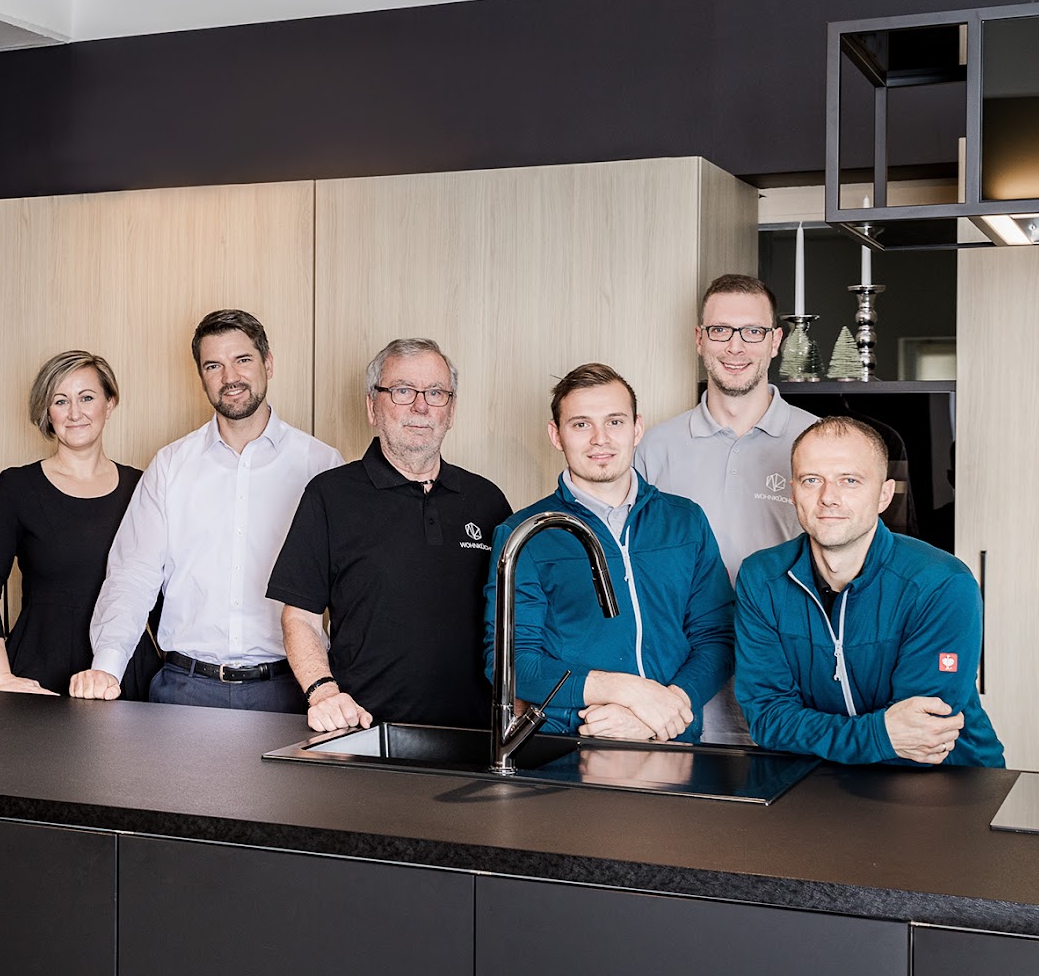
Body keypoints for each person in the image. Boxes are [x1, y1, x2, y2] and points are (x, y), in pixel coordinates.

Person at [74, 308, 343, 711]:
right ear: (201, 376)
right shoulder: (170, 465)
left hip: (287, 691)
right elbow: (133, 576)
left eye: (243, 360)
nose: (229, 377)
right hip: (184, 690)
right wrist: (107, 668)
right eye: (213, 365)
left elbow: (347, 588)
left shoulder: (320, 464)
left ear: (268, 364)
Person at [269, 338, 513, 731]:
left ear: (451, 411)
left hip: (475, 736)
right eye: (402, 391)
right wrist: (324, 692)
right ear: (372, 406)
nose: (421, 406)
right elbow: (301, 617)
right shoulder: (330, 495)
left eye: (436, 393)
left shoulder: (487, 501)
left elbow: (512, 622)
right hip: (363, 732)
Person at [483, 363, 733, 743]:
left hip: (675, 743)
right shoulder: (524, 534)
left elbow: (717, 638)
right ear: (556, 435)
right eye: (581, 424)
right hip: (571, 745)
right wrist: (626, 691)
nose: (600, 439)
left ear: (637, 428)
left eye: (615, 422)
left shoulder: (686, 521)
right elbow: (512, 663)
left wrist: (664, 710)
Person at [735, 417, 1002, 767]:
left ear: (884, 495)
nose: (828, 498)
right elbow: (768, 720)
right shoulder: (761, 578)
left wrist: (816, 734)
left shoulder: (941, 584)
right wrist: (879, 735)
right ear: (793, 491)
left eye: (850, 480)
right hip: (822, 780)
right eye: (812, 480)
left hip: (951, 779)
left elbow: (923, 738)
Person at [635, 273, 818, 745]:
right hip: (682, 692)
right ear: (700, 339)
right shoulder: (653, 449)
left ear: (775, 341)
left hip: (791, 690)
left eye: (752, 331)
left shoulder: (818, 441)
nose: (735, 346)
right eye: (720, 330)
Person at [0, 351, 154, 695]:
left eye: (87, 398)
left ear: (110, 403)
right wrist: (1, 678)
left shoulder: (142, 487)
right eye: (61, 401)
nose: (75, 413)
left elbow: (163, 592)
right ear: (47, 412)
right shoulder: (17, 487)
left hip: (126, 674)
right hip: (38, 673)